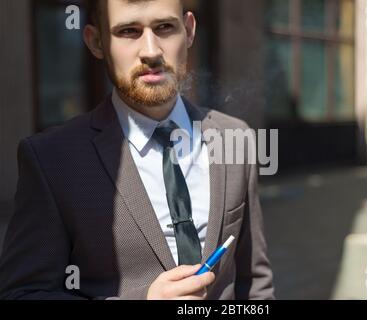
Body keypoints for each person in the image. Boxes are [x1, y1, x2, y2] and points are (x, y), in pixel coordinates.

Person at [0, 0, 274, 300]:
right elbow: (22, 294)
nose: (151, 51)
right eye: (129, 31)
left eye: (165, 27)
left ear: (190, 30)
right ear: (96, 41)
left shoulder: (236, 138)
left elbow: (254, 284)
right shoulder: (51, 159)